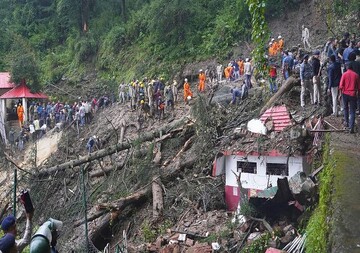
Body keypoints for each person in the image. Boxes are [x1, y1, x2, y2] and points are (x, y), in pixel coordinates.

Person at [339, 63, 360, 133]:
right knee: (352, 111)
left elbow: (341, 86)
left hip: (345, 94)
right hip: (353, 94)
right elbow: (359, 87)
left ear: (347, 68)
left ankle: (346, 123)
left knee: (345, 108)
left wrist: (340, 94)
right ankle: (351, 127)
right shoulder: (356, 75)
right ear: (352, 68)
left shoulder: (344, 74)